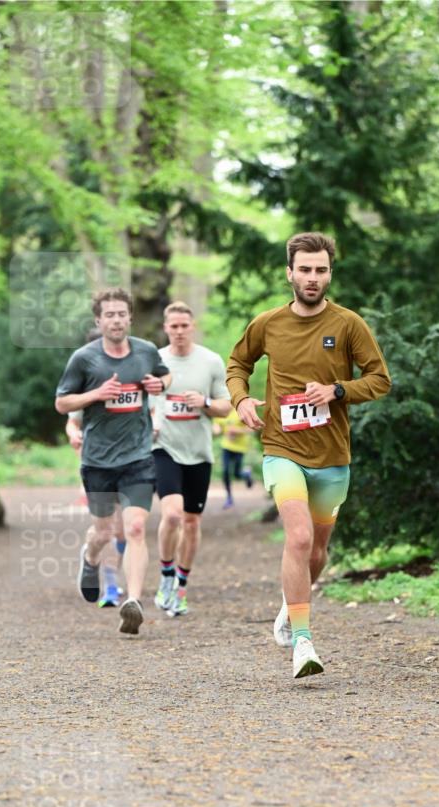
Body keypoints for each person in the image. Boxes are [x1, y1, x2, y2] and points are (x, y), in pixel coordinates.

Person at [226, 231, 391, 678]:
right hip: (283, 448)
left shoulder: (349, 325)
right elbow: (238, 364)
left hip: (333, 456)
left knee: (317, 552)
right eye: (305, 270)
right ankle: (303, 642)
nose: (312, 278)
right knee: (297, 539)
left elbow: (379, 379)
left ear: (329, 273)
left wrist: (337, 390)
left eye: (320, 270)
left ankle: (289, 604)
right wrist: (240, 400)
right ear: (290, 273)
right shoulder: (268, 323)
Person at [55, 288, 171, 635]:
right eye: (109, 315)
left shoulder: (146, 351)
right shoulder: (84, 359)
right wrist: (96, 395)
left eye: (122, 314)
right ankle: (89, 559)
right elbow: (62, 404)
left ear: (130, 317)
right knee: (104, 532)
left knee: (135, 528)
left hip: (137, 456)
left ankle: (132, 602)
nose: (116, 320)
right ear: (98, 320)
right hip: (97, 460)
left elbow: (166, 375)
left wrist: (158, 384)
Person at [151, 301, 231, 617]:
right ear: (165, 328)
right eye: (174, 326)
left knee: (192, 522)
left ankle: (182, 587)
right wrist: (152, 417)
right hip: (164, 448)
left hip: (198, 452)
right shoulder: (153, 360)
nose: (180, 331)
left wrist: (205, 402)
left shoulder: (210, 361)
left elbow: (226, 406)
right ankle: (166, 576)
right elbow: (144, 400)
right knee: (171, 515)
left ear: (192, 326)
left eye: (185, 325)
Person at [65, 408, 126, 607]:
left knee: (124, 531)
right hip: (97, 467)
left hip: (131, 465)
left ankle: (110, 575)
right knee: (109, 530)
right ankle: (110, 586)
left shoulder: (140, 381)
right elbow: (73, 423)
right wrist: (75, 436)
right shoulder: (89, 386)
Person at [214, 408, 255, 510]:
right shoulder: (221, 411)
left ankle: (246, 474)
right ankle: (229, 498)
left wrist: (237, 431)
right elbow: (217, 426)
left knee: (236, 474)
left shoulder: (240, 410)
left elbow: (251, 428)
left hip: (240, 448)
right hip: (226, 446)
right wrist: (216, 429)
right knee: (225, 472)